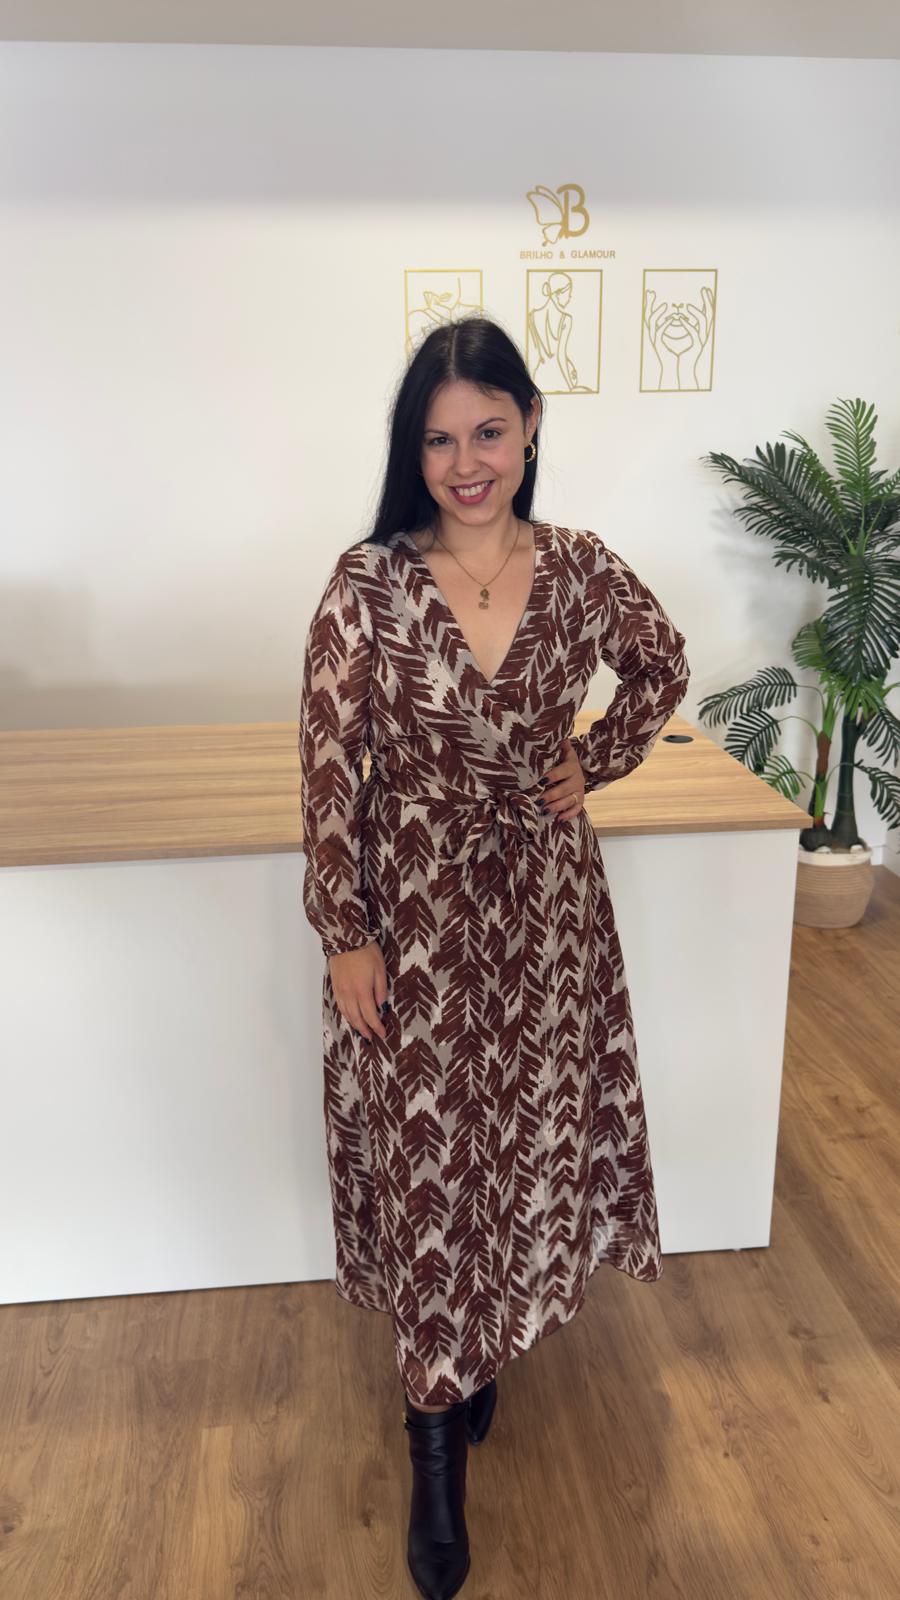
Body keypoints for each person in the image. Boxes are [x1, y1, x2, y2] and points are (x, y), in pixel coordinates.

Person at [298, 314, 691, 1600]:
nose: (466, 463)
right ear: (411, 452)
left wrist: (598, 756)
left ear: (528, 429)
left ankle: (483, 1346)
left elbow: (662, 664)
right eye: (439, 439)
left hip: (543, 919)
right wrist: (345, 930)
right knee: (430, 1169)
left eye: (488, 431)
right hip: (413, 919)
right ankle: (433, 1448)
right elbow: (328, 765)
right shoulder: (368, 583)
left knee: (518, 1150)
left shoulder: (577, 568)